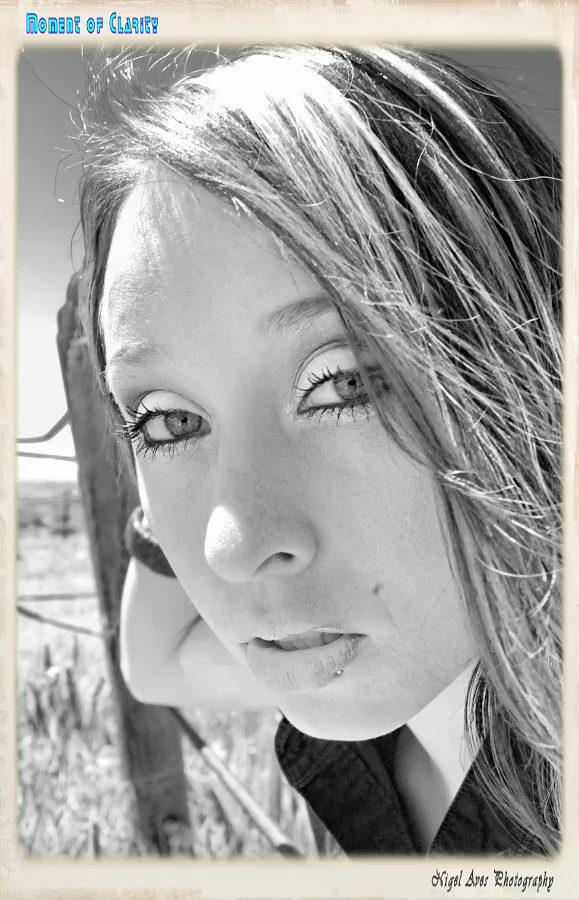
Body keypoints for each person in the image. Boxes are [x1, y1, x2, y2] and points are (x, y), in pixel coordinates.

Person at [77, 45, 562, 856]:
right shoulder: (391, 686)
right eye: (165, 422)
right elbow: (154, 664)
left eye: (343, 382)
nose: (230, 549)